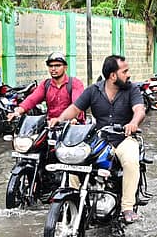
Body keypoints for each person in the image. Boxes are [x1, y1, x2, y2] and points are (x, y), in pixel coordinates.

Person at [49, 55, 146, 224]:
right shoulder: (93, 90)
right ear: (113, 76)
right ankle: (73, 201)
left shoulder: (132, 89)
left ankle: (127, 207)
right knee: (74, 162)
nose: (128, 75)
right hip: (99, 139)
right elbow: (74, 108)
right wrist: (60, 119)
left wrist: (133, 123)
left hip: (123, 138)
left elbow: (139, 110)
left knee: (131, 160)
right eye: (125, 71)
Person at [7, 52, 85, 121]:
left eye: (57, 66)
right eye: (51, 66)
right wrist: (17, 112)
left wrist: (74, 118)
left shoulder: (75, 83)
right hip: (51, 125)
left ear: (65, 67)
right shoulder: (45, 85)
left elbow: (77, 105)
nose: (53, 69)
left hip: (73, 126)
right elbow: (31, 100)